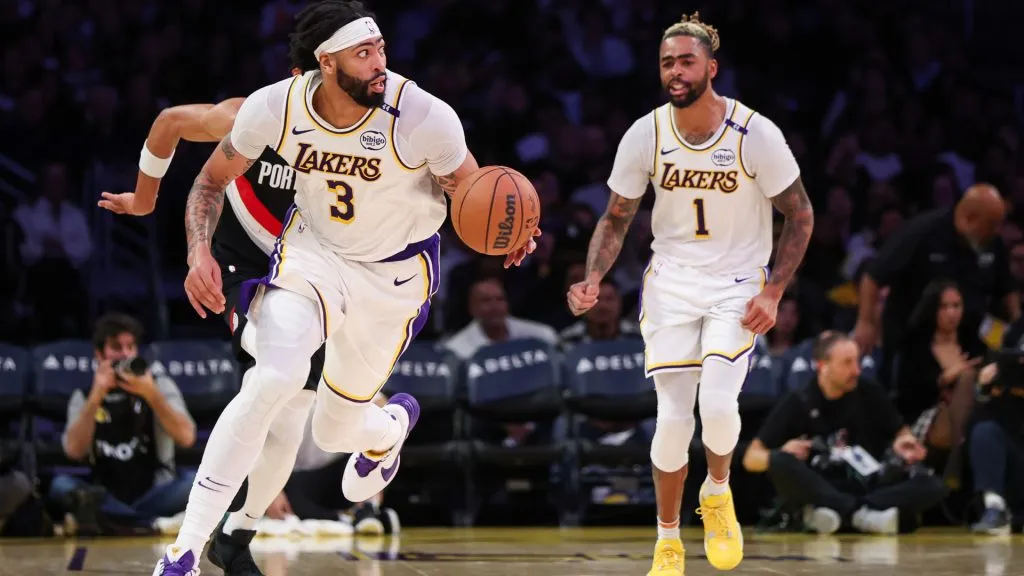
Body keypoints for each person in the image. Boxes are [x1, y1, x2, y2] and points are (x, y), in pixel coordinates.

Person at [153, 2, 537, 575]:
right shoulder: (273, 107)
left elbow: (471, 191)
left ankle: (389, 427)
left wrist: (509, 231)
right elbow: (210, 181)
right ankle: (184, 549)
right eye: (365, 53)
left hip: (395, 276)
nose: (380, 62)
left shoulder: (423, 116)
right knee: (273, 378)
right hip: (313, 256)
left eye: (381, 48)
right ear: (325, 63)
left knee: (333, 429)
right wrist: (197, 251)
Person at [567, 12, 813, 575]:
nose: (675, 72)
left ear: (711, 67)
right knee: (674, 416)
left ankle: (719, 493)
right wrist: (593, 278)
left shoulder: (755, 133)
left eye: (686, 61)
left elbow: (799, 213)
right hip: (672, 284)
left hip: (736, 283)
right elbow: (616, 217)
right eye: (666, 63)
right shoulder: (645, 134)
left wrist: (774, 291)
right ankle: (668, 541)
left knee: (718, 402)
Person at [101, 73, 326, 574]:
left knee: (295, 412)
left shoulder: (363, 133)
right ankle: (185, 548)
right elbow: (169, 123)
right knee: (277, 377)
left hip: (312, 275)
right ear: (301, 76)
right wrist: (145, 200)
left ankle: (237, 532)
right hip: (242, 268)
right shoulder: (253, 116)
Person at [742, 332, 946, 535]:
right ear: (823, 366)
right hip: (820, 484)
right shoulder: (798, 400)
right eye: (847, 363)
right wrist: (782, 452)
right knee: (780, 461)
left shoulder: (870, 392)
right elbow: (751, 458)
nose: (856, 370)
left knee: (934, 485)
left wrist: (904, 443)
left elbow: (902, 432)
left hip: (867, 483)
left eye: (857, 361)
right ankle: (861, 515)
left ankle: (839, 513)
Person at [854, 183, 1019, 388]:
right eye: (993, 224)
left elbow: (1006, 288)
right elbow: (873, 276)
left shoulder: (991, 241)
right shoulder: (922, 231)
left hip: (968, 336)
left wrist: (1018, 327)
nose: (998, 231)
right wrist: (866, 322)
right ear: (969, 219)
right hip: (912, 339)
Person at [53, 313, 197, 535]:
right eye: (116, 347)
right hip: (106, 492)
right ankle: (150, 525)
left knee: (196, 481)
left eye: (130, 347)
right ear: (99, 354)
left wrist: (151, 394)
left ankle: (112, 522)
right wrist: (96, 395)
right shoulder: (84, 395)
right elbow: (73, 451)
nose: (125, 354)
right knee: (60, 485)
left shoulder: (160, 385)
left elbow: (187, 438)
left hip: (156, 493)